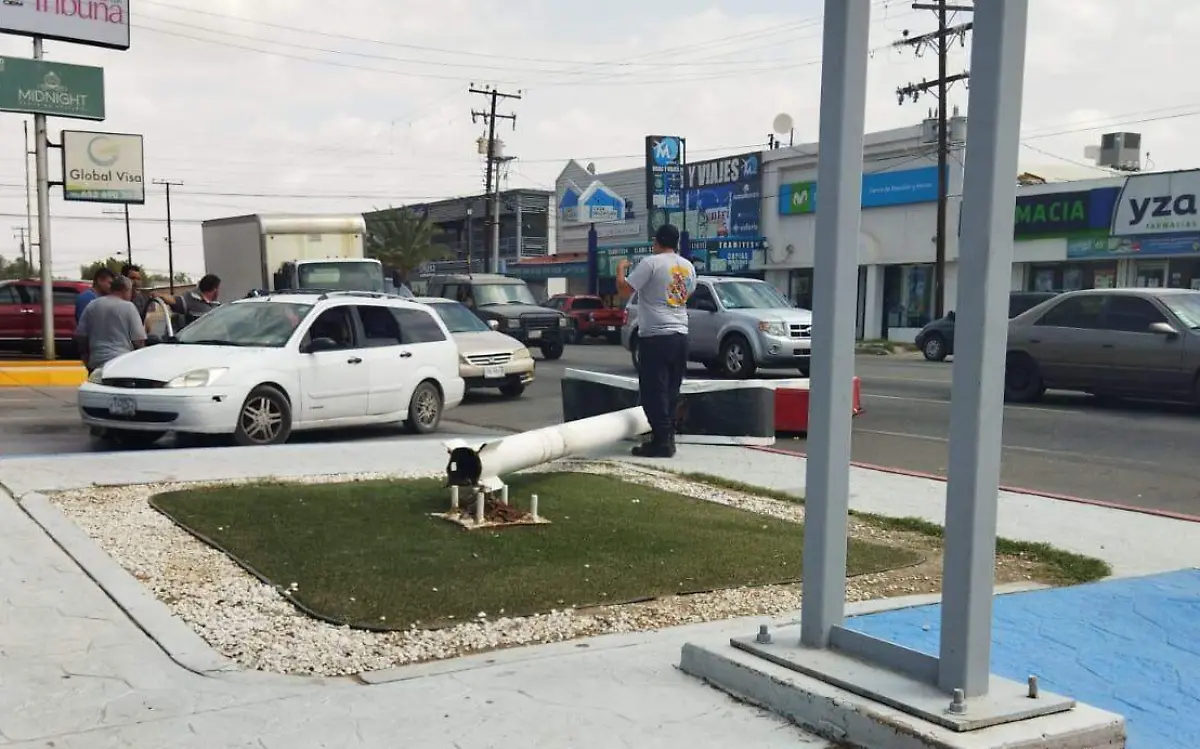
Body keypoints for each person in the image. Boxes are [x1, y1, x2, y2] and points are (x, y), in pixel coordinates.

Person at [617, 223, 696, 458]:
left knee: (653, 391)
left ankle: (662, 442)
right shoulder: (687, 266)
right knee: (671, 390)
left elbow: (624, 290)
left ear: (657, 241)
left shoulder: (651, 263)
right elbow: (686, 293)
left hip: (656, 336)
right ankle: (667, 437)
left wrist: (620, 269)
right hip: (681, 334)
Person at [74, 275, 147, 373]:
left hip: (96, 361)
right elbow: (139, 341)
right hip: (121, 362)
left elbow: (81, 336)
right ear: (125, 290)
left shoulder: (92, 305)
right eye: (130, 291)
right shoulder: (128, 307)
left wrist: (86, 358)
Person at [120, 263, 154, 327]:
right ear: (123, 279)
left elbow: (148, 327)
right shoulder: (115, 300)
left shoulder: (143, 299)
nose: (136, 282)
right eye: (132, 278)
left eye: (138, 279)